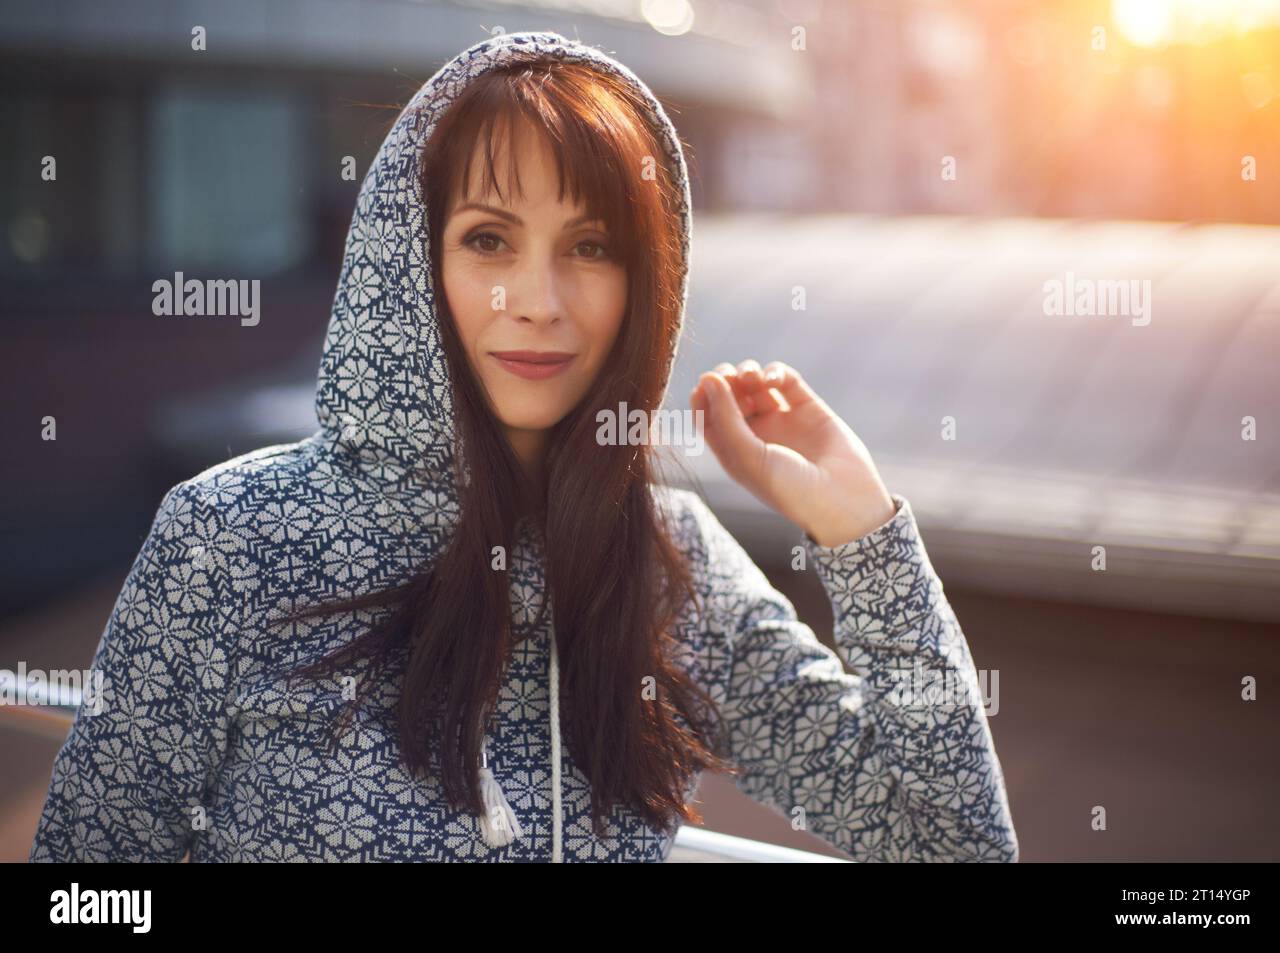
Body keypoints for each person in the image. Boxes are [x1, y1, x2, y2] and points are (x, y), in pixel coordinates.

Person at [28, 30, 1018, 863]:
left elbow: (951, 839)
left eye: (591, 247)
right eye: (489, 240)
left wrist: (860, 531)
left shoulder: (667, 561)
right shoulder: (230, 536)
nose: (539, 301)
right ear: (410, 255)